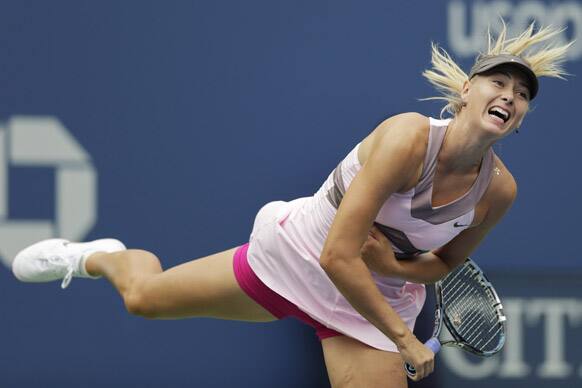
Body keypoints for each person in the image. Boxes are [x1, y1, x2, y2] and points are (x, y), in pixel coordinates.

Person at [12, 22, 572, 387]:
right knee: (142, 299)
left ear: (520, 120)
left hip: (371, 306)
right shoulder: (406, 138)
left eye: (522, 96)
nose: (510, 97)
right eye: (499, 83)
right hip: (300, 256)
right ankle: (100, 257)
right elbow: (335, 255)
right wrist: (404, 338)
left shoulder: (499, 192)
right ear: (465, 93)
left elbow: (443, 266)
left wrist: (391, 268)